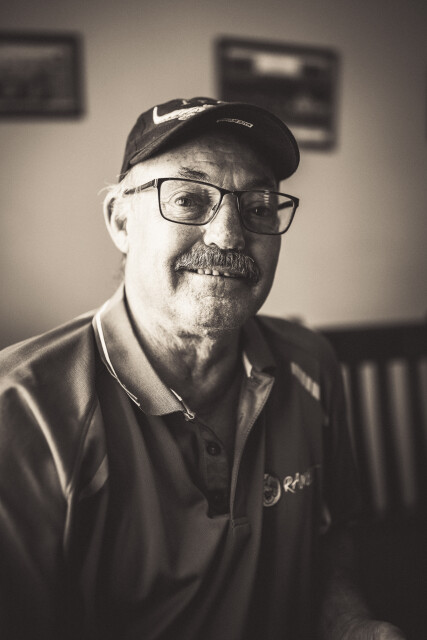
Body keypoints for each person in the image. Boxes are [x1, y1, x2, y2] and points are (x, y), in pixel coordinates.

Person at [0, 97, 405, 640]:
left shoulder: (311, 361)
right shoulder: (22, 408)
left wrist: (348, 621)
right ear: (121, 220)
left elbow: (331, 532)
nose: (229, 236)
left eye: (259, 206)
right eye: (189, 199)